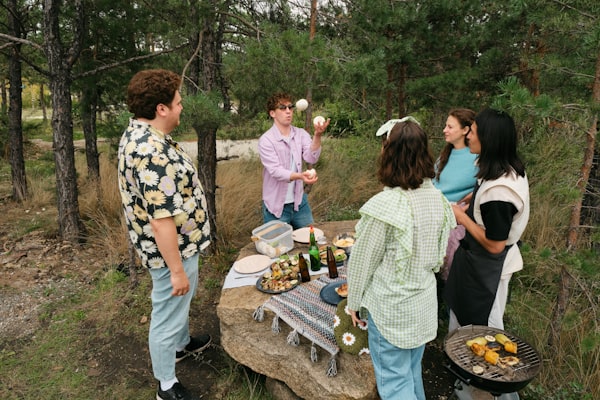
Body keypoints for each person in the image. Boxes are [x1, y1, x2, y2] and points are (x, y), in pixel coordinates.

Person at [118, 69, 212, 400]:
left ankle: (182, 344)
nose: (181, 107)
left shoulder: (145, 135)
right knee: (166, 313)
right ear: (161, 108)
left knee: (177, 307)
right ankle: (166, 385)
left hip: (183, 246)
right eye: (178, 102)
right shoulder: (149, 151)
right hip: (172, 251)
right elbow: (161, 220)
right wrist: (174, 270)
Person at [347, 119, 455, 400]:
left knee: (395, 384)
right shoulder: (437, 198)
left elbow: (362, 262)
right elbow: (437, 256)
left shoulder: (387, 204)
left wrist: (354, 304)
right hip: (422, 307)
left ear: (389, 153)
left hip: (391, 312)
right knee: (410, 373)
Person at [443, 108, 530, 333]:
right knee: (462, 317)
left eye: (473, 131)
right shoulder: (504, 168)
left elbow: (495, 244)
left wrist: (461, 216)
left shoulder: (500, 194)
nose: (469, 136)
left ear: (488, 139)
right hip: (474, 261)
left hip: (488, 270)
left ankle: (474, 366)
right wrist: (475, 197)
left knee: (482, 328)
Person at [258, 92, 330, 229]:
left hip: (299, 203)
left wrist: (317, 135)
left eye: (290, 107)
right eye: (282, 108)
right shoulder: (266, 140)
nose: (288, 111)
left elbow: (311, 157)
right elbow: (276, 171)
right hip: (276, 207)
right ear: (272, 113)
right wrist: (300, 176)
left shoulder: (300, 134)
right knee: (279, 248)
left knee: (310, 241)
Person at [433, 109, 478, 288]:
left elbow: (483, 187)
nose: (445, 130)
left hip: (455, 217)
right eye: (446, 125)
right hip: (434, 210)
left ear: (465, 130)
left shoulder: (477, 157)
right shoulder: (445, 154)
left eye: (450, 126)